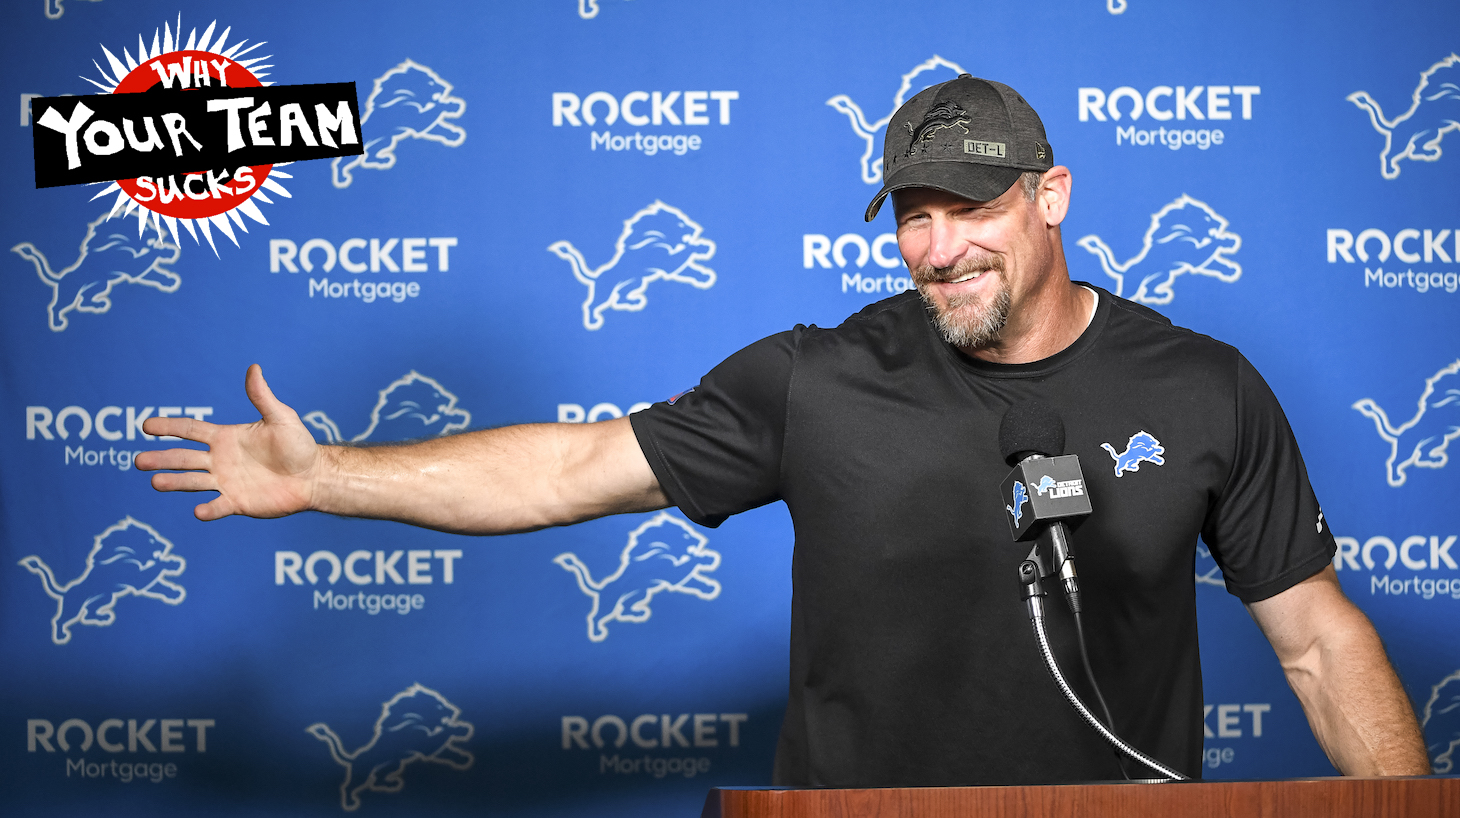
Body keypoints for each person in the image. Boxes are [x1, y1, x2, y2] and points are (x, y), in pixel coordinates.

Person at [136, 75, 1430, 785]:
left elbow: (1318, 641)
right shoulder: (821, 378)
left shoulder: (1203, 386)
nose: (938, 246)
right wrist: (328, 476)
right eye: (912, 213)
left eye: (971, 206)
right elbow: (573, 469)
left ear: (1052, 197)